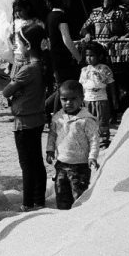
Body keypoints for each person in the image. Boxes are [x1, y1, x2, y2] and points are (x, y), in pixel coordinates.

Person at [2, 22, 48, 210]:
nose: (17, 47)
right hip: (36, 119)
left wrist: (14, 84)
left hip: (24, 123)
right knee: (37, 161)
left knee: (27, 164)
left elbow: (6, 92)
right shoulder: (41, 65)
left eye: (19, 43)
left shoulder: (28, 69)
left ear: (28, 46)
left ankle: (27, 203)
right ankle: (39, 199)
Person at [45, 80, 101, 210]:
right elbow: (52, 135)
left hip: (80, 167)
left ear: (82, 98)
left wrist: (92, 157)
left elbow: (94, 140)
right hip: (61, 164)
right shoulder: (58, 118)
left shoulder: (86, 120)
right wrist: (50, 150)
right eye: (64, 99)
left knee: (79, 198)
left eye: (73, 99)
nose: (68, 102)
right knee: (62, 195)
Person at [43, 0, 83, 108]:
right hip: (63, 58)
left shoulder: (50, 16)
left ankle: (45, 110)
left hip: (54, 57)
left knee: (61, 87)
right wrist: (79, 58)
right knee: (63, 89)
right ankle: (48, 111)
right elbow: (67, 40)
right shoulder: (61, 16)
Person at [79, 42, 117, 147]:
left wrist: (114, 99)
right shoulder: (84, 70)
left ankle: (104, 140)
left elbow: (111, 84)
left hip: (101, 99)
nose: (89, 58)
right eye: (87, 56)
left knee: (102, 120)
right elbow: (82, 85)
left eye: (91, 55)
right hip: (88, 99)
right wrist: (81, 99)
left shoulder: (104, 69)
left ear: (99, 56)